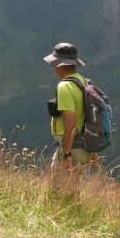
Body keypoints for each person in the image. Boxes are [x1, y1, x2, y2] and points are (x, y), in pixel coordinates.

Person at [44, 42, 90, 170]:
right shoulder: (84, 82)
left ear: (59, 64)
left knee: (57, 189)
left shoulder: (64, 86)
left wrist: (66, 153)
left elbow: (70, 122)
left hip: (71, 148)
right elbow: (88, 116)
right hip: (83, 147)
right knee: (72, 190)